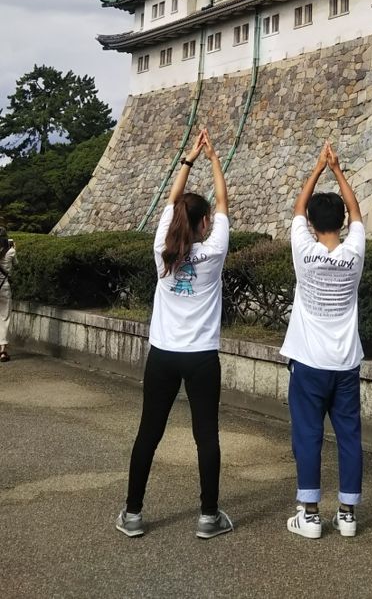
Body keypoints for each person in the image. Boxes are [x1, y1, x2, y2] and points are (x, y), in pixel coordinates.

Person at [116, 128, 232, 540]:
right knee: (207, 435)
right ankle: (208, 516)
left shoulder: (162, 250)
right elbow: (222, 203)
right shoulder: (213, 250)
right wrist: (215, 159)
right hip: (201, 357)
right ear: (204, 224)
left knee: (149, 430)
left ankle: (132, 514)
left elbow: (171, 201)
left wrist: (188, 160)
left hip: (163, 354)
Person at [280, 142, 365, 539]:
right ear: (342, 223)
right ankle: (347, 514)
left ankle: (310, 513)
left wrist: (318, 168)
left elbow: (298, 208)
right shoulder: (355, 252)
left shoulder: (304, 251)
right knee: (349, 437)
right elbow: (359, 213)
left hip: (309, 363)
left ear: (313, 225)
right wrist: (339, 171)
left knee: (308, 435)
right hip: (346, 363)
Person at [0, 227, 17, 363]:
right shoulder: (11, 251)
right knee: (4, 318)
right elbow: (16, 264)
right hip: (4, 288)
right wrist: (14, 248)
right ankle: (3, 351)